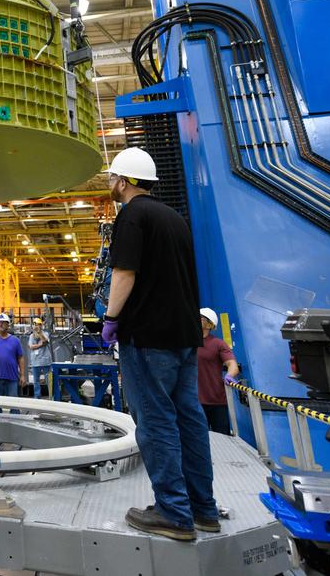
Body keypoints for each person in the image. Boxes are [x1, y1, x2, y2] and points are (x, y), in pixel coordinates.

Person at [101, 147, 218, 542]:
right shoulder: (174, 218)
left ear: (124, 181)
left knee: (155, 422)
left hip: (149, 338)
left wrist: (112, 318)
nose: (110, 184)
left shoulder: (132, 216)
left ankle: (172, 512)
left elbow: (124, 273)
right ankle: (203, 509)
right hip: (184, 337)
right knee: (189, 420)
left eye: (112, 177)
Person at [198, 307, 239, 434]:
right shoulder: (187, 343)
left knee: (223, 440)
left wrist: (229, 375)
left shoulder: (218, 344)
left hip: (217, 402)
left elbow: (232, 364)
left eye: (200, 317)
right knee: (198, 439)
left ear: (209, 324)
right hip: (194, 402)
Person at [28, 318, 53, 398]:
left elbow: (45, 341)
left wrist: (39, 333)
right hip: (35, 361)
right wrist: (40, 345)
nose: (36, 326)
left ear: (41, 326)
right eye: (35, 325)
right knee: (36, 381)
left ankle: (51, 395)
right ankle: (37, 396)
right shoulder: (31, 336)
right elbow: (31, 346)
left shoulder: (45, 333)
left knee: (48, 379)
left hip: (45, 361)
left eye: (38, 325)